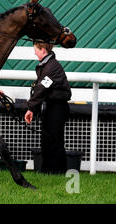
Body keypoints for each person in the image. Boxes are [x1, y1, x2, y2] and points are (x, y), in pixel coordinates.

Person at [24, 42, 71, 174]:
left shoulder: (51, 67)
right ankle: (48, 171)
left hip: (57, 108)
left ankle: (57, 171)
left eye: (36, 50)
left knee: (54, 141)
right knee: (47, 140)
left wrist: (30, 108)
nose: (34, 53)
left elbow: (41, 89)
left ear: (43, 50)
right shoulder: (48, 65)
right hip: (52, 107)